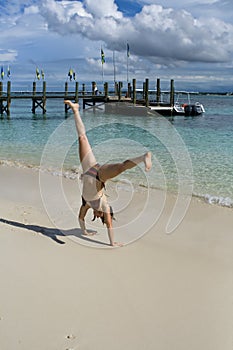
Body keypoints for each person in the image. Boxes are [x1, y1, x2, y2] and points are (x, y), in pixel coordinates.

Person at [64, 100, 152, 247]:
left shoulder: (86, 205)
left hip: (87, 169)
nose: (98, 215)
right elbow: (109, 226)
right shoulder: (104, 205)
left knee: (82, 138)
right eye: (101, 216)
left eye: (98, 216)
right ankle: (143, 157)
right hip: (98, 173)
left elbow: (80, 219)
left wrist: (84, 232)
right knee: (121, 167)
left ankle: (75, 110)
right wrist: (113, 243)